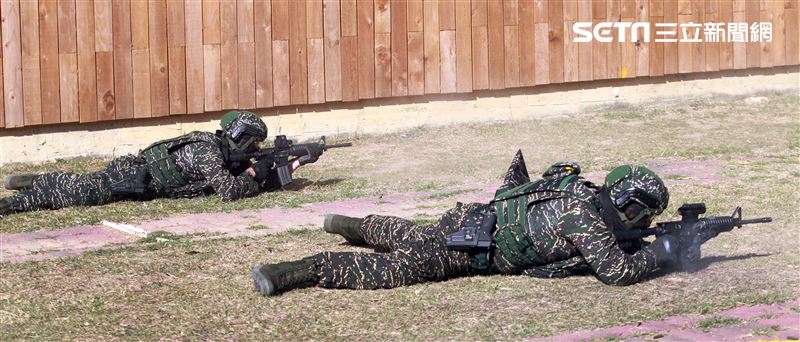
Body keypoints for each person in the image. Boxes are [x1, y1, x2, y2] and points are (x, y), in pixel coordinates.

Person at [251, 150, 680, 296]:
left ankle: (346, 224)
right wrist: (662, 251)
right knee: (398, 267)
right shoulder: (585, 218)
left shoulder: (580, 191)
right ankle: (296, 271)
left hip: (470, 219)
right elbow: (617, 272)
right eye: (640, 213)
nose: (641, 222)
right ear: (625, 201)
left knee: (410, 234)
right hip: (469, 247)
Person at [0, 111, 323, 217]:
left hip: (135, 173)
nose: (257, 148)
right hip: (133, 179)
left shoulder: (217, 146)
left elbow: (241, 172)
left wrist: (292, 164)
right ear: (239, 137)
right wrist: (256, 171)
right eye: (254, 142)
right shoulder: (208, 152)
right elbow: (229, 192)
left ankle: (32, 179)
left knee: (83, 182)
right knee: (79, 193)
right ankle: (12, 203)